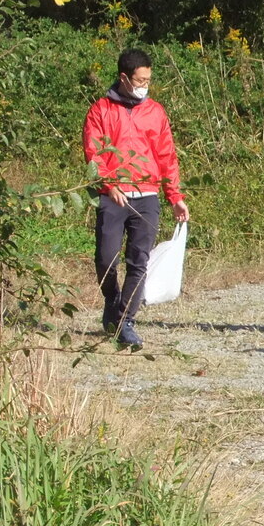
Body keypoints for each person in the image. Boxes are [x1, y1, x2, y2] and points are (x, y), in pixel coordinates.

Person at [83, 47, 189, 348]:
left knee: (138, 261)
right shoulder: (100, 110)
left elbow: (166, 155)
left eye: (148, 80)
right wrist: (109, 185)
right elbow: (93, 153)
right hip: (113, 197)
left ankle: (126, 321)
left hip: (147, 197)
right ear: (124, 78)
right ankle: (112, 298)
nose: (145, 86)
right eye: (140, 80)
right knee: (106, 258)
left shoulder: (155, 112)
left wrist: (175, 196)